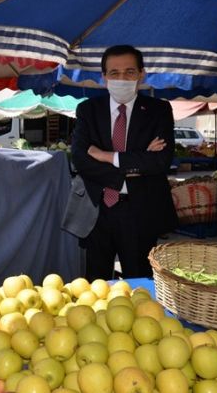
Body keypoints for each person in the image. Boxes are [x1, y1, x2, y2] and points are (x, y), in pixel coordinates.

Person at [71, 45, 177, 280]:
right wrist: (126, 172)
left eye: (129, 72)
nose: (122, 78)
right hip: (96, 211)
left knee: (139, 283)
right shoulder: (87, 110)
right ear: (104, 77)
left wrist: (108, 156)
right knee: (95, 284)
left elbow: (160, 161)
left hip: (140, 211)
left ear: (142, 74)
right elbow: (79, 158)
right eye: (114, 73)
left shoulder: (159, 110)